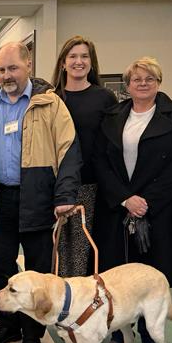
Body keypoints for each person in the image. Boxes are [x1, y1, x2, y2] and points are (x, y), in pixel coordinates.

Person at [0, 42, 82, 343]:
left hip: (38, 198)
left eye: (13, 68)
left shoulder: (51, 104)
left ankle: (33, 333)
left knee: (39, 271)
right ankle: (8, 325)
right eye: (1, 69)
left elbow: (69, 150)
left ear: (28, 66)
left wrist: (64, 196)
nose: (7, 75)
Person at [92, 56, 172, 343]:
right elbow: (100, 161)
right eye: (137, 79)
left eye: (150, 78)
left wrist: (145, 201)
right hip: (117, 209)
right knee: (116, 274)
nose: (143, 83)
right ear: (128, 84)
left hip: (157, 211)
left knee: (152, 275)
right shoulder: (112, 116)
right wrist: (125, 198)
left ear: (158, 82)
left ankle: (151, 335)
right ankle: (119, 333)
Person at [50, 35, 117, 277]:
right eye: (73, 56)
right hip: (54, 184)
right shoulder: (52, 98)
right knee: (56, 250)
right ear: (63, 63)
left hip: (90, 185)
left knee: (82, 252)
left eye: (84, 56)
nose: (79, 61)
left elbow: (111, 145)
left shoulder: (105, 98)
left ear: (92, 62)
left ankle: (81, 308)